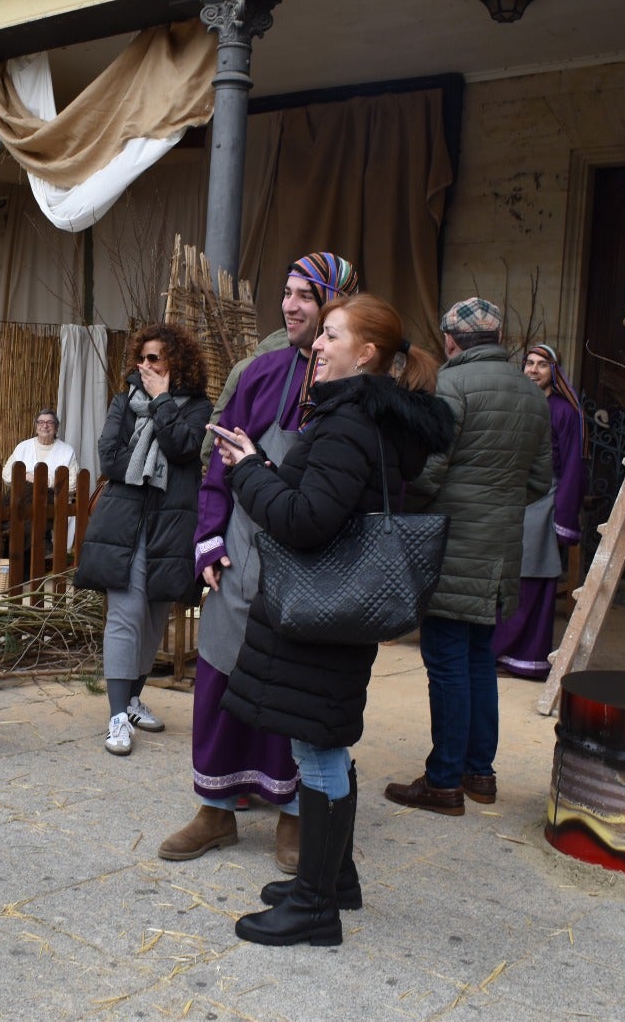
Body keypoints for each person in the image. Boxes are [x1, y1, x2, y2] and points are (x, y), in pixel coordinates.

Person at [213, 293, 452, 946]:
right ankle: (334, 878)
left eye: (332, 336)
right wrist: (260, 464)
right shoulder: (359, 419)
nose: (317, 344)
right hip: (332, 615)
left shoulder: (348, 425)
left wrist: (246, 474)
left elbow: (305, 520)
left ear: (366, 354)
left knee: (317, 751)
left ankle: (316, 908)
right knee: (320, 742)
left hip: (320, 616)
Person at [158, 251, 359, 875]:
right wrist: (210, 541)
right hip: (242, 559)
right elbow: (218, 463)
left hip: (311, 569)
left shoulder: (358, 390)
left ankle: (294, 814)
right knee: (219, 681)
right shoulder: (259, 373)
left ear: (337, 309)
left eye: (308, 295)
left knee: (294, 694)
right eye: (289, 291)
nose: (291, 305)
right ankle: (215, 810)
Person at [386, 298, 552, 816]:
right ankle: (480, 773)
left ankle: (443, 782)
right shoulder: (533, 394)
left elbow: (431, 474)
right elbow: (539, 482)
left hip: (452, 544)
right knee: (480, 657)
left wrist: (401, 503)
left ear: (452, 341)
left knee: (446, 661)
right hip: (500, 548)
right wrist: (496, 505)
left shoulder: (451, 387)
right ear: (499, 338)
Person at [75, 323, 211, 756]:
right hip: (126, 524)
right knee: (126, 613)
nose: (146, 366)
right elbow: (110, 458)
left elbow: (185, 447)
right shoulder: (123, 402)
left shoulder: (197, 407)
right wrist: (152, 410)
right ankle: (117, 715)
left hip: (170, 526)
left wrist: (161, 403)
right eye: (143, 357)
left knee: (154, 617)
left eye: (156, 358)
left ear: (176, 362)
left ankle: (133, 698)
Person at [494, 344, 587, 679]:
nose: (532, 370)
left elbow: (574, 466)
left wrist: (563, 516)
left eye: (541, 365)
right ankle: (495, 650)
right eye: (528, 363)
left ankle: (526, 656)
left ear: (555, 372)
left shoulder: (564, 412)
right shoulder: (512, 405)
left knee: (531, 579)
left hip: (542, 503)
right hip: (507, 500)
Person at [2, 409, 77, 483]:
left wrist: (49, 481)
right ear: (36, 428)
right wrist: (25, 476)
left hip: (55, 494)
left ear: (56, 428)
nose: (45, 426)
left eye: (50, 422)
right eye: (41, 422)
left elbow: (73, 482)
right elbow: (6, 474)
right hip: (23, 494)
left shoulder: (67, 451)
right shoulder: (22, 447)